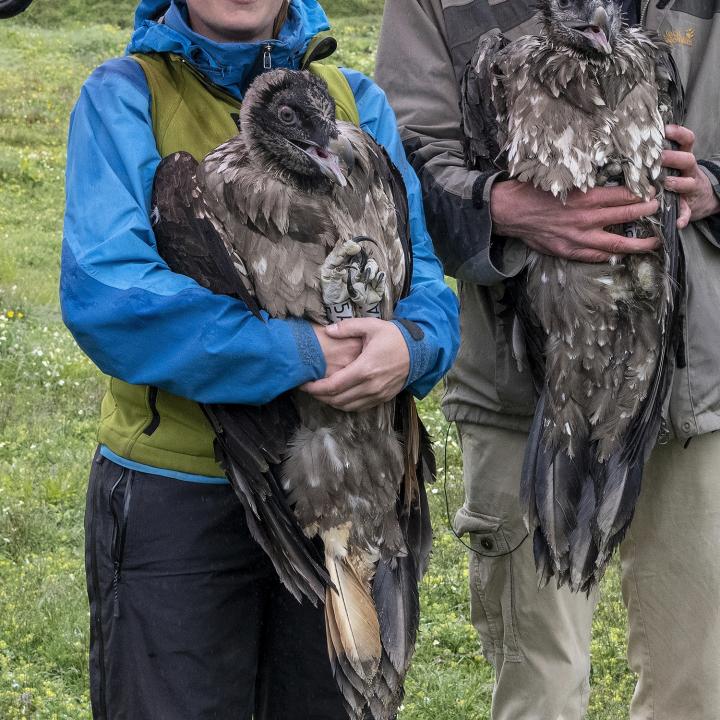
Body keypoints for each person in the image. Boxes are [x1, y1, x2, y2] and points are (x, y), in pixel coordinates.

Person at [60, 1, 460, 718]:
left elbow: (422, 274)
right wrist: (294, 352)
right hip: (179, 493)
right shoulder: (125, 94)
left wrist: (416, 343)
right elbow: (109, 295)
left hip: (347, 484)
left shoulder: (355, 103)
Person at [376, 1, 720, 719]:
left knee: (697, 688)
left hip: (694, 387)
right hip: (525, 391)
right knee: (542, 689)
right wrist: (503, 206)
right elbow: (399, 161)